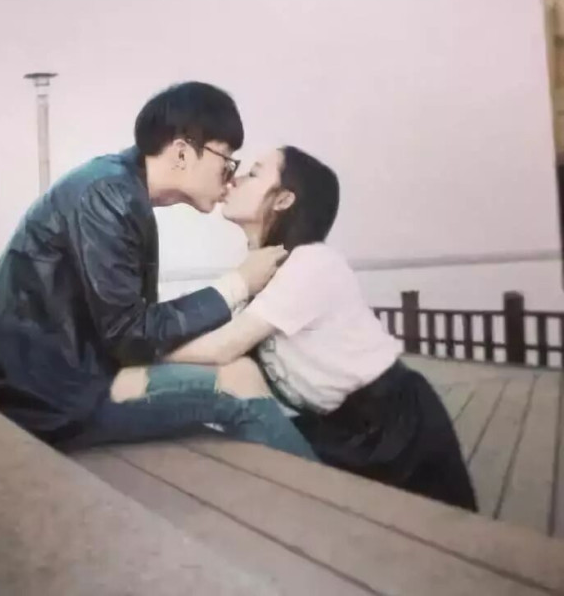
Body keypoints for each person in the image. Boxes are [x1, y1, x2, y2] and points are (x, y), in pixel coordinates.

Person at [0, 81, 315, 455]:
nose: (229, 177)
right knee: (237, 385)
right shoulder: (109, 197)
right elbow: (129, 336)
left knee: (238, 373)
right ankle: (321, 486)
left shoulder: (115, 186)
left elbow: (128, 328)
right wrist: (238, 283)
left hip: (47, 377)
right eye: (226, 161)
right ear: (182, 153)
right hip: (38, 398)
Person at [152, 145, 477, 511]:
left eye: (254, 173)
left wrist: (140, 349)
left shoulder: (310, 263)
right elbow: (213, 339)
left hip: (394, 425)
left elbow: (222, 347)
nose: (235, 179)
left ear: (283, 199)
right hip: (337, 424)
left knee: (435, 531)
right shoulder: (265, 269)